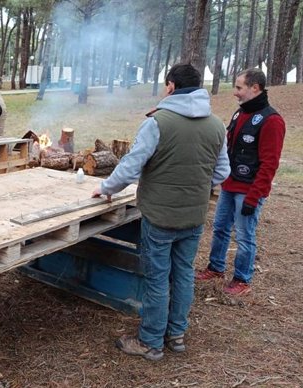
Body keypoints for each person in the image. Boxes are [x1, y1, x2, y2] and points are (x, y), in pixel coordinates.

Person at [91, 63, 230, 361]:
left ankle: (151, 342)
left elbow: (131, 165)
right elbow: (222, 172)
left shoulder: (158, 122)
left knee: (157, 279)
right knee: (183, 275)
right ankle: (176, 335)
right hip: (193, 216)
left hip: (160, 217)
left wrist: (106, 188)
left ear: (170, 86)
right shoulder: (217, 125)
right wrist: (195, 187)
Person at [196, 68, 286, 296]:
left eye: (239, 87)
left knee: (245, 236)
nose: (235, 92)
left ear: (254, 88)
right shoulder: (239, 114)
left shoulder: (272, 121)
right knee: (220, 229)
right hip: (229, 185)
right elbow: (226, 149)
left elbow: (269, 164)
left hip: (248, 191)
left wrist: (254, 197)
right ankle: (216, 267)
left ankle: (242, 279)